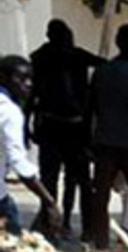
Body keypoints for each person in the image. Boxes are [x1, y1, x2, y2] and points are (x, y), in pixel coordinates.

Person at [28, 20, 103, 239]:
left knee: (76, 179)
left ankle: (80, 225)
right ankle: (55, 223)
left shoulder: (68, 56)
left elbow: (102, 64)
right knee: (62, 179)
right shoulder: (45, 57)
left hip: (71, 127)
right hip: (60, 126)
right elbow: (33, 94)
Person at [86, 25, 128, 251]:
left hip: (104, 143)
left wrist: (90, 141)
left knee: (101, 197)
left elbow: (91, 108)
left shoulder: (102, 72)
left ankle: (101, 243)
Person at [0, 55, 62, 237]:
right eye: (20, 78)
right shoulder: (9, 112)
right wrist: (48, 201)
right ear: (3, 78)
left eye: (30, 79)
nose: (27, 84)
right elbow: (18, 162)